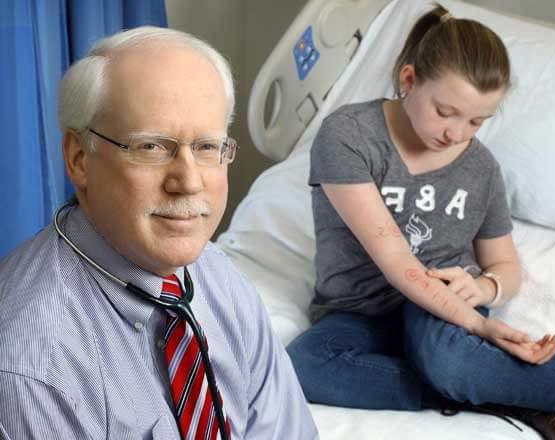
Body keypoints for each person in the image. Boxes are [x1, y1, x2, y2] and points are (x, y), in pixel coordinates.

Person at [286, 5, 555, 440]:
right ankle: (512, 396)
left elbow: (506, 265)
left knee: (449, 361)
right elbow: (395, 258)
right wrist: (481, 326)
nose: (456, 133)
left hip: (441, 308)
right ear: (409, 80)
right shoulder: (349, 136)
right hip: (357, 310)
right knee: (304, 369)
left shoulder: (481, 169)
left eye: (476, 121)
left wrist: (487, 289)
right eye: (445, 111)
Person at [0, 26, 318, 440]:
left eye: (207, 147)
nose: (188, 181)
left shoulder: (222, 281)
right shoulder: (32, 368)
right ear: (79, 159)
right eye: (151, 147)